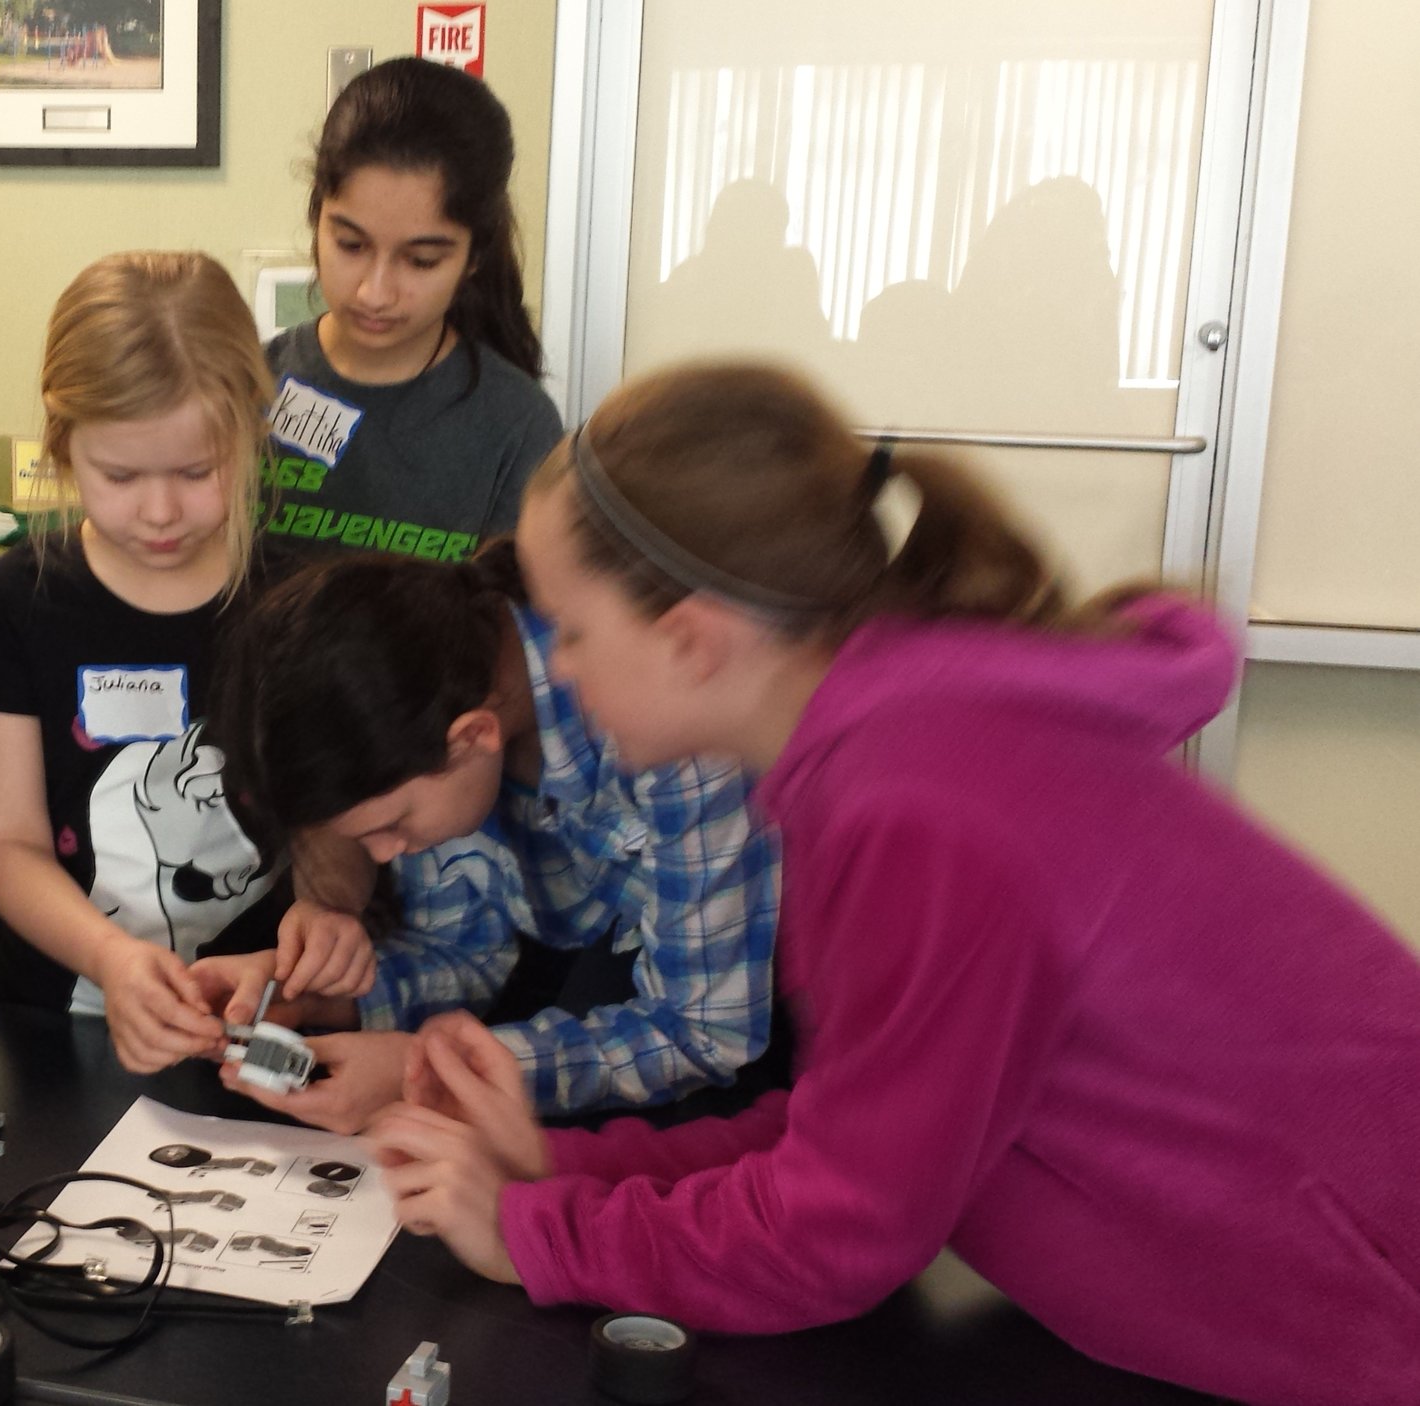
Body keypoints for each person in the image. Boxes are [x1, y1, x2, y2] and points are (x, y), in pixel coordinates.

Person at [370, 363, 1420, 1406]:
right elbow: (856, 1124)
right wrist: (558, 1166)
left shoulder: (918, 803)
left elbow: (841, 1226)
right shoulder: (878, 747)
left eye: (571, 629)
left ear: (692, 638)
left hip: (1365, 1308)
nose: (553, 672)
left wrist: (529, 1236)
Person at [0, 250, 370, 1075]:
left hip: (256, 1025)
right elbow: (6, 842)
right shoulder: (10, 606)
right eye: (120, 474)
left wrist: (332, 910)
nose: (161, 510)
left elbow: (335, 821)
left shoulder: (298, 606)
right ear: (64, 445)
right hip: (62, 1031)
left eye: (196, 471)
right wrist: (109, 958)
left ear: (250, 432)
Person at [197, 548, 780, 1134]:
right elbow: (463, 952)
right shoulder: (434, 695)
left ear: (474, 735)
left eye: (391, 824)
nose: (384, 853)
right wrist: (311, 996)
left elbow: (706, 1032)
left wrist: (433, 1073)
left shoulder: (667, 732)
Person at [260, 56, 563, 563]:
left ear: (474, 257)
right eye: (351, 246)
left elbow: (516, 624)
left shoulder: (518, 426)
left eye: (421, 261)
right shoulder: (248, 386)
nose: (375, 293)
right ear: (317, 218)